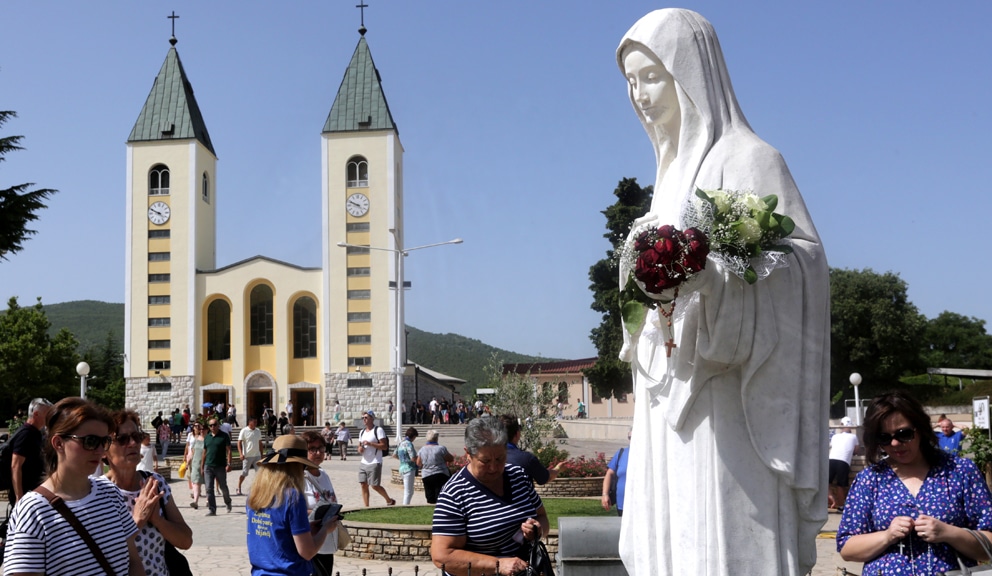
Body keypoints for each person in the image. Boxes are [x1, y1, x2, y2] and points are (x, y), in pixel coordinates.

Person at [615, 10, 830, 575]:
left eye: (652, 77)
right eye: (630, 82)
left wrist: (718, 282)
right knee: (672, 539)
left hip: (729, 395)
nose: (639, 94)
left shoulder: (752, 160)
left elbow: (802, 264)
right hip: (668, 390)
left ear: (690, 74)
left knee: (721, 536)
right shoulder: (665, 180)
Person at [837, 391, 992, 574]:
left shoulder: (960, 471)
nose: (895, 443)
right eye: (884, 438)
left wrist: (948, 533)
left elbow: (988, 541)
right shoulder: (870, 479)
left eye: (904, 434)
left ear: (920, 428)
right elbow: (847, 548)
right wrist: (887, 536)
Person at [3, 397, 145, 575]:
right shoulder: (33, 511)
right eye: (90, 441)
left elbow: (134, 563)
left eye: (104, 442)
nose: (100, 451)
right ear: (58, 443)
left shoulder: (111, 493)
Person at [431, 417, 549, 575]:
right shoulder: (455, 493)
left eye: (500, 458)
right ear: (468, 454)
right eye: (485, 461)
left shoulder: (518, 476)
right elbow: (442, 556)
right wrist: (498, 564)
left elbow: (542, 517)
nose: (494, 467)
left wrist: (537, 530)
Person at [105, 409, 193, 576]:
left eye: (136, 436)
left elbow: (186, 540)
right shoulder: (98, 492)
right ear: (104, 448)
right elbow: (100, 553)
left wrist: (157, 520)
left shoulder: (155, 484)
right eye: (122, 439)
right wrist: (137, 521)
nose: (132, 443)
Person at [247, 434, 334, 576]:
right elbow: (307, 552)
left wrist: (307, 528)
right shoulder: (292, 497)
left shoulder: (255, 494)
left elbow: (275, 531)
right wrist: (325, 529)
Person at [301, 431, 340, 576]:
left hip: (327, 541)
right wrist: (320, 515)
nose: (318, 453)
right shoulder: (300, 477)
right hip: (310, 542)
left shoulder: (323, 474)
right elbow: (294, 512)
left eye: (321, 448)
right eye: (312, 449)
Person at [8, 397, 52, 503]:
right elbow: (15, 466)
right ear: (36, 414)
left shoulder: (35, 433)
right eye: (47, 414)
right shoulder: (25, 434)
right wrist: (19, 497)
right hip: (26, 494)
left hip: (35, 491)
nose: (49, 418)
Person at [500, 414, 559, 485]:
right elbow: (544, 478)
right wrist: (558, 469)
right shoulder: (526, 459)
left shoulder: (487, 459)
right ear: (517, 434)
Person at [358, 410, 395, 507]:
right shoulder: (362, 432)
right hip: (364, 462)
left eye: (366, 417)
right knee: (363, 484)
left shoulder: (378, 430)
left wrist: (370, 444)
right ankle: (366, 506)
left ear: (372, 418)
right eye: (363, 418)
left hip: (375, 461)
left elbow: (384, 446)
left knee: (374, 485)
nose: (364, 419)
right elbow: (359, 446)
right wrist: (360, 449)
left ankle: (389, 500)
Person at [828, 417, 860, 510]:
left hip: (831, 459)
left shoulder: (835, 436)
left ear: (841, 425)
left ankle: (832, 498)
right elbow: (856, 450)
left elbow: (832, 446)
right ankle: (841, 506)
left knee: (826, 483)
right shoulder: (854, 437)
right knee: (841, 485)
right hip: (844, 461)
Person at [203, 417, 233, 515]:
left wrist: (229, 463)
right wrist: (202, 466)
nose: (213, 427)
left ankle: (228, 502)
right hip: (208, 466)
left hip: (220, 466)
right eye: (210, 425)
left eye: (214, 425)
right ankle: (212, 509)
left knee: (223, 487)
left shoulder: (224, 436)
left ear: (218, 425)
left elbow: (229, 451)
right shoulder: (207, 437)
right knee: (209, 488)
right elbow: (204, 452)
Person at [416, 429, 454, 504]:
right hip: (440, 473)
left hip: (427, 475)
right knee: (440, 496)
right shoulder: (441, 448)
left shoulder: (422, 449)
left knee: (430, 496)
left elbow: (418, 463)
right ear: (436, 438)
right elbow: (450, 459)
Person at [602, 429, 631, 516]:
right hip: (622, 505)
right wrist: (605, 494)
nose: (632, 440)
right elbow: (609, 473)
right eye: (630, 437)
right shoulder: (621, 453)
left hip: (642, 506)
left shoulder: (649, 455)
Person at [238, 416, 263, 496]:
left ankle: (258, 489)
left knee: (259, 473)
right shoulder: (244, 431)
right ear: (250, 422)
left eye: (256, 422)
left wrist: (262, 454)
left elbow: (260, 443)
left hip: (257, 455)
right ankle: (238, 487)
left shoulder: (258, 431)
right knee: (244, 472)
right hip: (247, 455)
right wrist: (241, 453)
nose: (255, 423)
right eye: (254, 422)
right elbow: (239, 442)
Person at [396, 427, 419, 505]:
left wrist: (402, 459)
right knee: (408, 492)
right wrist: (418, 458)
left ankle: (406, 504)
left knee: (408, 491)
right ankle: (405, 506)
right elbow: (413, 458)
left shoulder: (401, 443)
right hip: (409, 468)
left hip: (402, 468)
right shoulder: (409, 444)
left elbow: (394, 455)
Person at [187, 422, 206, 509]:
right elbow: (192, 451)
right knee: (196, 483)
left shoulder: (209, 440)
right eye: (200, 429)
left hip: (206, 464)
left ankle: (209, 500)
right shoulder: (197, 439)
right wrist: (188, 461)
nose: (201, 430)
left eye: (203, 429)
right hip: (195, 464)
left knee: (208, 484)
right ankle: (195, 502)